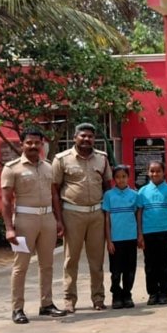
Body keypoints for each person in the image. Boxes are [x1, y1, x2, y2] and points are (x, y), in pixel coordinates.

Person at [1, 128, 66, 324]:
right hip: (24, 221)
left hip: (47, 219)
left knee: (47, 265)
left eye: (37, 143)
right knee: (20, 266)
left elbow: (54, 195)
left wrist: (58, 220)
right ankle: (17, 309)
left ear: (42, 144)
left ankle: (46, 304)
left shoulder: (48, 167)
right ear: (22, 144)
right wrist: (9, 228)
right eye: (29, 142)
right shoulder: (12, 168)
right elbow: (6, 200)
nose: (33, 146)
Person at [52, 122, 112, 313]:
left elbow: (107, 186)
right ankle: (69, 300)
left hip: (96, 214)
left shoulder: (102, 158)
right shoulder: (61, 159)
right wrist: (58, 220)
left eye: (90, 136)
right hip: (72, 213)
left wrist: (108, 215)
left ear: (94, 139)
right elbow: (54, 190)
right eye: (83, 136)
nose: (86, 139)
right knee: (71, 259)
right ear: (75, 137)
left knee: (97, 260)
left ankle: (98, 298)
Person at [136, 160, 167, 306]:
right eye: (152, 171)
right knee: (150, 265)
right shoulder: (142, 191)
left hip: (165, 232)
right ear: (148, 172)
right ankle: (153, 293)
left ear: (164, 172)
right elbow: (139, 213)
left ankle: (164, 292)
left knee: (164, 264)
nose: (155, 173)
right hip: (148, 233)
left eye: (158, 171)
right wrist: (140, 234)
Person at [102, 165, 138, 309]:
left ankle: (127, 294)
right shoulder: (109, 195)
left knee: (130, 270)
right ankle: (116, 295)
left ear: (128, 177)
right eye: (117, 177)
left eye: (124, 176)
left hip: (131, 238)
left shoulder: (134, 195)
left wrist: (139, 236)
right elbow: (107, 219)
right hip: (116, 240)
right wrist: (109, 240)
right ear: (113, 179)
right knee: (116, 271)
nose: (121, 179)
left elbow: (137, 216)